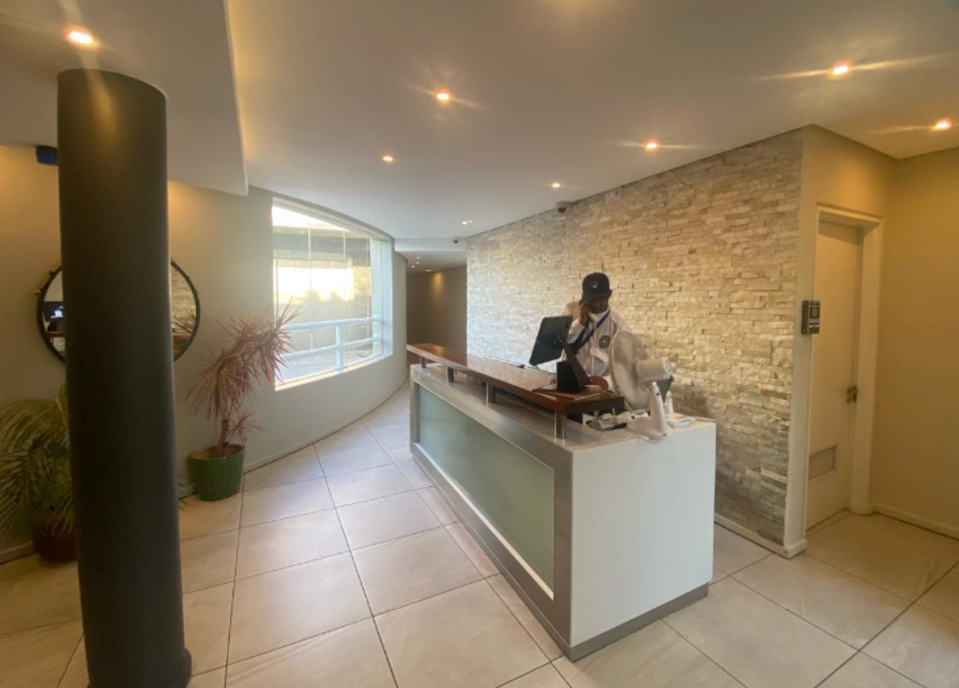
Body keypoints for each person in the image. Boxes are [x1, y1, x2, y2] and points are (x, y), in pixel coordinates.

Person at [563, 272, 631, 390]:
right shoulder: (572, 314)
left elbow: (627, 368)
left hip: (599, 390)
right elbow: (563, 342)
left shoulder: (620, 328)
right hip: (570, 383)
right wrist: (580, 323)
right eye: (591, 300)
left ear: (610, 294)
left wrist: (607, 382)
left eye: (600, 300)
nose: (595, 304)